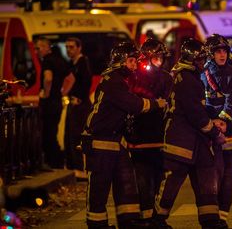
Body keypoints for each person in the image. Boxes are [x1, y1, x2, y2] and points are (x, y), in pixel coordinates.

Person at [83, 41, 167, 229]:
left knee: (126, 183)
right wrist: (156, 104)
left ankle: (128, 220)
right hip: (100, 141)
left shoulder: (120, 80)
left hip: (115, 140)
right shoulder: (113, 81)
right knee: (99, 187)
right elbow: (134, 105)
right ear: (120, 61)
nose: (134, 65)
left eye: (135, 61)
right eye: (131, 61)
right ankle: (97, 225)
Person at [153, 38, 226, 229]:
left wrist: (212, 120)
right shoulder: (187, 79)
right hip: (181, 140)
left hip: (195, 140)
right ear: (192, 60)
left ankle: (210, 219)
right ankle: (157, 219)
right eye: (200, 60)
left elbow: (198, 110)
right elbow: (196, 115)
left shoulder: (186, 76)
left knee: (206, 177)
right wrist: (215, 132)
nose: (203, 64)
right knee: (172, 181)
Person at [202, 34, 232, 228]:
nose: (222, 55)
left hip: (230, 130)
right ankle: (211, 215)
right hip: (209, 129)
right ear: (210, 54)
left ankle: (222, 216)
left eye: (224, 51)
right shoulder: (203, 74)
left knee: (229, 172)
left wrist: (220, 121)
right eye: (218, 51)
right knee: (213, 174)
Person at [125, 39, 173, 224]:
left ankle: (155, 218)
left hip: (160, 137)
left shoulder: (167, 78)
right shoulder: (135, 78)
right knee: (143, 180)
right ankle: (147, 218)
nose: (159, 60)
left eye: (161, 57)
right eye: (156, 57)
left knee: (159, 178)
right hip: (140, 138)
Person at [61, 37, 92, 179]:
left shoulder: (82, 62)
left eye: (71, 47)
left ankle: (80, 169)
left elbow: (86, 83)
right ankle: (73, 167)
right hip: (73, 103)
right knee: (69, 136)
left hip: (79, 105)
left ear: (79, 48)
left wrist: (78, 98)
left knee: (76, 136)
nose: (68, 50)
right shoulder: (72, 63)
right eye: (67, 47)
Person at [35, 37, 68, 169]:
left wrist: (46, 93)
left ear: (46, 47)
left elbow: (48, 79)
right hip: (57, 102)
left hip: (49, 103)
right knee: (52, 132)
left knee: (47, 133)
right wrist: (63, 93)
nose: (36, 51)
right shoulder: (59, 60)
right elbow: (70, 78)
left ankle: (52, 162)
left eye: (38, 48)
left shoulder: (47, 61)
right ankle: (57, 161)